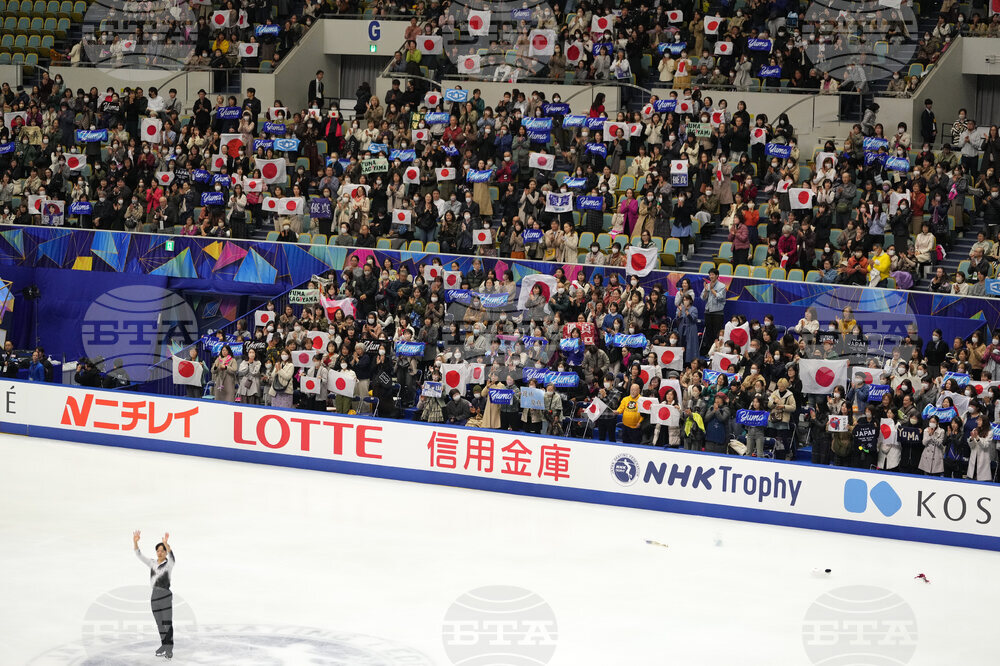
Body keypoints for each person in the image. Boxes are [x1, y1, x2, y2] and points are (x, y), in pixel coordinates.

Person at [133, 530, 175, 659]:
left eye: (162, 550)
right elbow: (139, 555)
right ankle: (164, 644)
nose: (160, 552)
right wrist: (135, 542)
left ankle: (169, 648)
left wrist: (166, 544)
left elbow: (173, 557)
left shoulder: (169, 565)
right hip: (154, 597)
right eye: (158, 551)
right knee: (159, 623)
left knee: (167, 622)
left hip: (165, 596)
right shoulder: (152, 563)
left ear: (165, 552)